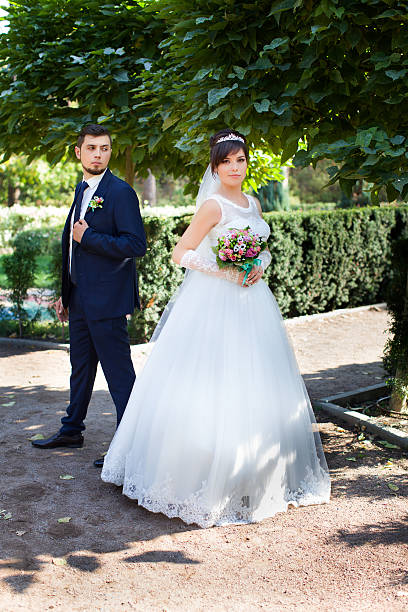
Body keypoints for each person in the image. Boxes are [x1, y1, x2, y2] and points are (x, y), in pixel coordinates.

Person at [102, 129, 330, 527]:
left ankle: (253, 471)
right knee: (211, 382)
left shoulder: (253, 202)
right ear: (215, 166)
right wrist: (224, 271)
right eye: (226, 161)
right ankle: (202, 473)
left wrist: (259, 264)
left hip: (254, 303)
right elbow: (181, 254)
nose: (234, 168)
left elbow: (265, 246)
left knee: (256, 381)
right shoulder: (213, 206)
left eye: (240, 160)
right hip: (214, 304)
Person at [32, 124, 146, 467]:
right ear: (78, 152)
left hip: (108, 302)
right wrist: (67, 293)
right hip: (80, 299)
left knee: (119, 373)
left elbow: (134, 244)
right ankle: (71, 429)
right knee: (80, 368)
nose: (99, 154)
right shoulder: (82, 191)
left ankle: (131, 444)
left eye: (105, 148)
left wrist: (90, 238)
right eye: (92, 148)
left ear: (110, 152)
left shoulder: (120, 192)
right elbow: (71, 246)